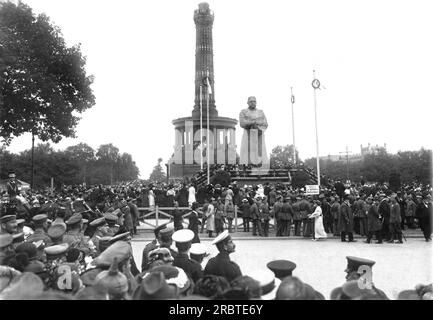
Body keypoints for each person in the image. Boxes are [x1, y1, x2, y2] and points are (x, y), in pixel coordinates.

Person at [239, 96, 269, 166]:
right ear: (247, 103)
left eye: (254, 101)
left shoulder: (261, 112)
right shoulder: (243, 112)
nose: (253, 103)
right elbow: (242, 123)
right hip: (248, 134)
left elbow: (265, 124)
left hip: (259, 134)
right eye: (251, 101)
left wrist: (258, 127)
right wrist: (253, 122)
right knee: (248, 151)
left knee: (260, 151)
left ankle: (260, 165)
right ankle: (248, 166)